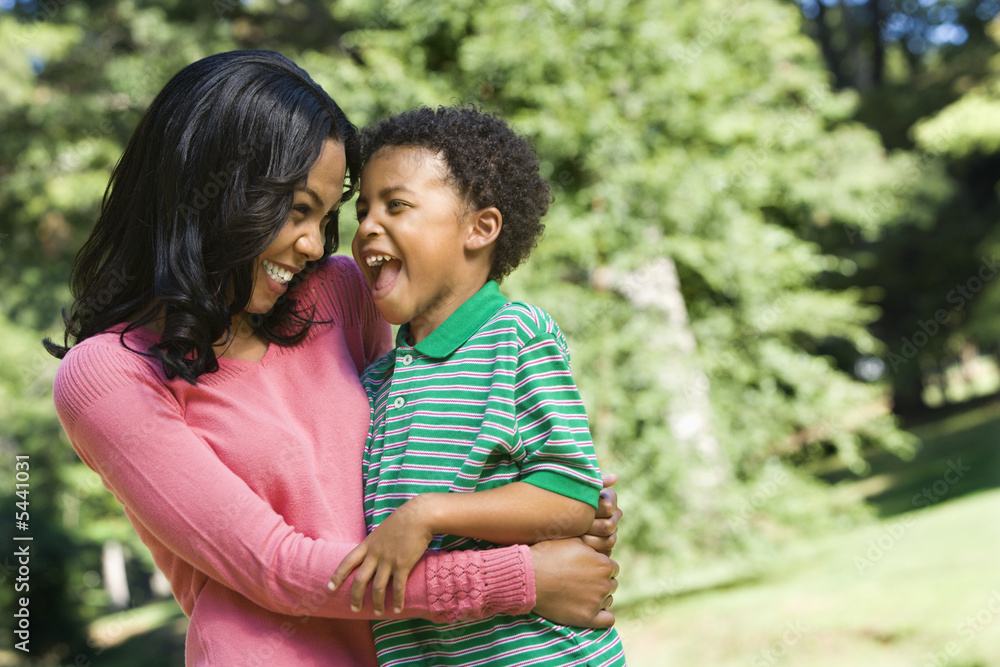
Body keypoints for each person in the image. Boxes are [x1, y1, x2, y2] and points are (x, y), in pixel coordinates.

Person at [45, 51, 622, 666]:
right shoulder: (110, 374)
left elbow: (424, 452)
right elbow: (273, 565)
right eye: (295, 211)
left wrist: (554, 506)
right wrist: (519, 578)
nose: (315, 244)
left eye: (325, 215)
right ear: (212, 191)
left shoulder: (339, 293)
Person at [328, 106, 627, 665]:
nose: (367, 225)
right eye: (362, 209)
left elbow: (572, 497)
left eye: (396, 205)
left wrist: (427, 514)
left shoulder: (515, 336)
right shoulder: (375, 382)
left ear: (480, 228)